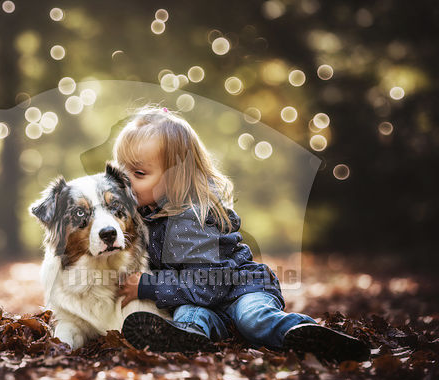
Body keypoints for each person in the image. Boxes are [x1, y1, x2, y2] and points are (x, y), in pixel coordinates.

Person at [113, 105, 370, 362]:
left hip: (241, 290)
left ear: (176, 177)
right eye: (122, 172)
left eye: (139, 174)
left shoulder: (190, 218)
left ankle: (307, 337)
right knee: (191, 316)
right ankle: (187, 339)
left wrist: (148, 287)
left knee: (253, 319)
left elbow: (207, 286)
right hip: (200, 301)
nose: (126, 182)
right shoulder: (144, 214)